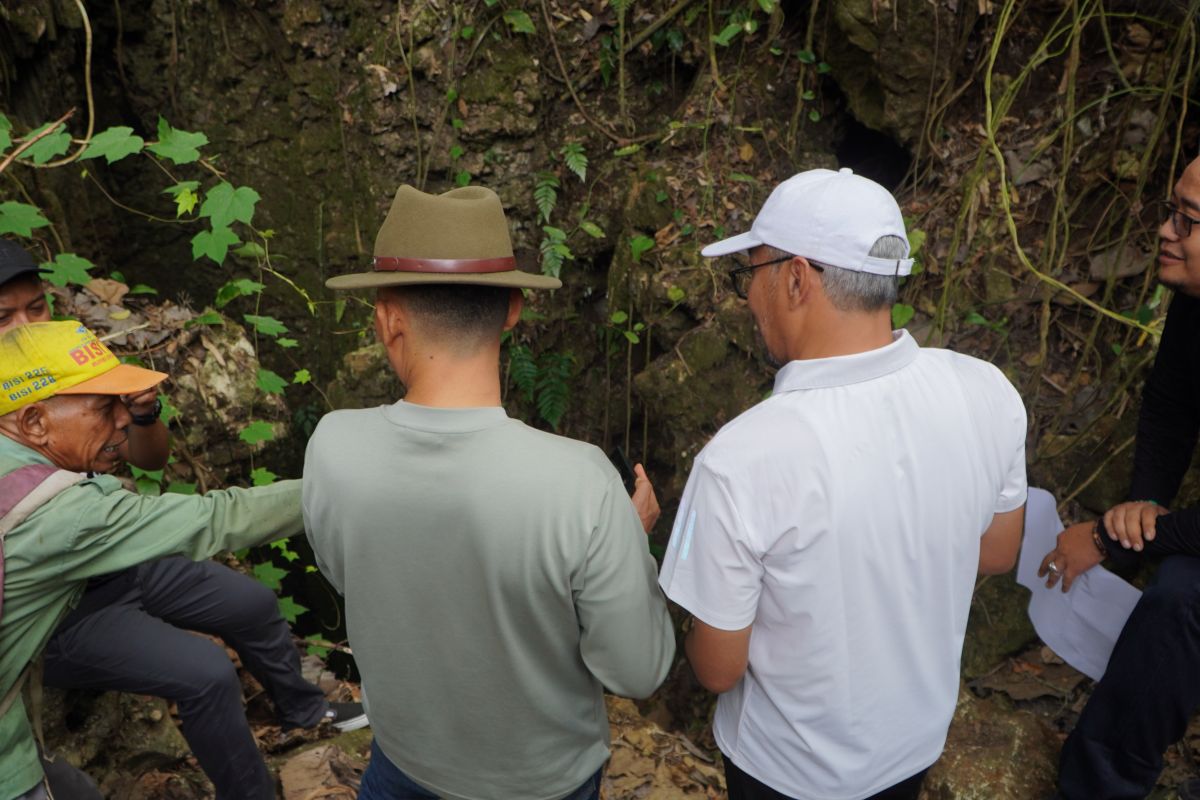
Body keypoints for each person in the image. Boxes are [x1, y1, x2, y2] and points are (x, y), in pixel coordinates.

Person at [657, 168, 1029, 800]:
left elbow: (718, 669)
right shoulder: (983, 389)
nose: (748, 297)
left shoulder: (740, 457)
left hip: (789, 770)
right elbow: (995, 553)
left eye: (751, 272)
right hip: (913, 746)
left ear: (797, 278)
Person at [304, 184, 675, 800]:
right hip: (541, 783)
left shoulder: (333, 446)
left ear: (387, 318)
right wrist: (624, 544)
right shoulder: (581, 483)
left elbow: (356, 574)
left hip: (401, 765)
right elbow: (636, 670)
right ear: (512, 311)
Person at [0, 240, 365, 800]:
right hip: (63, 615)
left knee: (251, 603)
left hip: (110, 568)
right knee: (206, 670)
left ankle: (304, 709)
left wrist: (138, 413)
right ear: (35, 422)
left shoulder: (35, 422)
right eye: (105, 407)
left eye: (34, 308)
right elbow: (216, 518)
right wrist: (362, 481)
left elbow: (147, 462)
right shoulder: (59, 508)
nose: (122, 420)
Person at [1039, 153, 1200, 800]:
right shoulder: (1193, 296)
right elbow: (1170, 404)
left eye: (1188, 221)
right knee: (1177, 599)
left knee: (1182, 601)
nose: (1166, 231)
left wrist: (1113, 537)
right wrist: (1143, 504)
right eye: (1171, 211)